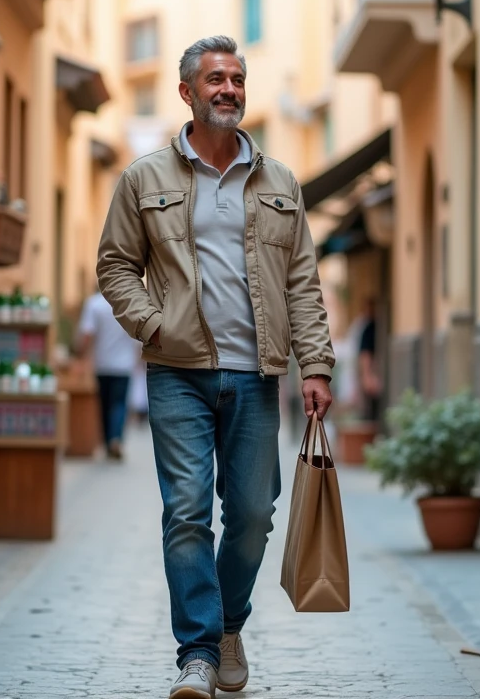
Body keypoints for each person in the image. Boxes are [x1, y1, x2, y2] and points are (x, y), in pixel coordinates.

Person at [97, 35, 335, 699]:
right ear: (187, 93)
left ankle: (230, 622)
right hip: (178, 373)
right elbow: (115, 265)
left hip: (259, 375)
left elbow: (303, 285)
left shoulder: (280, 182)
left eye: (236, 78)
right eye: (214, 80)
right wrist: (153, 323)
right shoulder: (144, 178)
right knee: (187, 512)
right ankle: (198, 652)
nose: (228, 89)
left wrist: (315, 365)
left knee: (255, 514)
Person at [75, 288, 141, 460]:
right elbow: (138, 334)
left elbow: (87, 334)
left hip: (102, 364)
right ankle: (115, 439)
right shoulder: (129, 303)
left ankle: (108, 441)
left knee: (104, 404)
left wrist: (80, 356)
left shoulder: (94, 303)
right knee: (119, 404)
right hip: (124, 365)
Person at [357, 298, 382, 422]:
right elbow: (365, 355)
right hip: (374, 377)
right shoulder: (368, 329)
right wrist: (368, 376)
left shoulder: (377, 327)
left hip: (376, 375)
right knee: (372, 414)